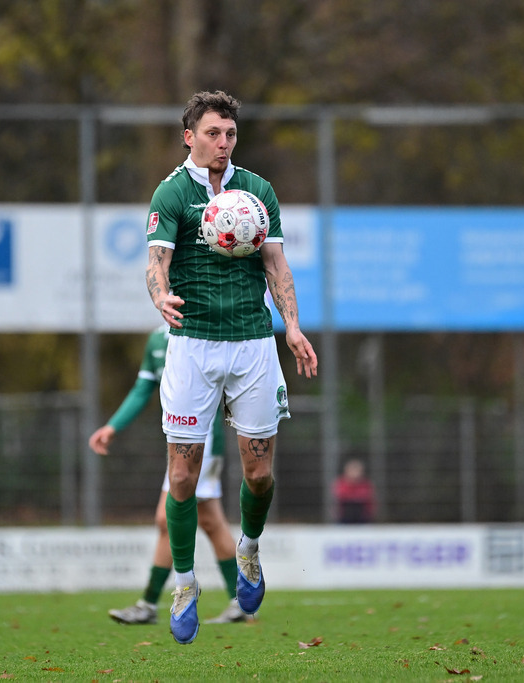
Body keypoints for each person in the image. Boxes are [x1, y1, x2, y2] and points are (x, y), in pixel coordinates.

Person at [144, 90, 318, 644]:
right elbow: (156, 262)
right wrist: (161, 297)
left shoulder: (257, 191)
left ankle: (248, 548)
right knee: (182, 477)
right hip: (192, 346)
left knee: (259, 474)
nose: (223, 144)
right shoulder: (171, 193)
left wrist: (290, 325)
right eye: (213, 134)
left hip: (251, 345)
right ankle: (187, 582)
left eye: (231, 135)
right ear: (189, 136)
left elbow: (276, 263)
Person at [88, 325, 252, 626]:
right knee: (208, 522)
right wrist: (113, 426)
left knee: (172, 519)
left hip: (202, 445)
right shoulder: (156, 339)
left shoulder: (207, 330)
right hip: (180, 447)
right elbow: (142, 389)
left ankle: (151, 603)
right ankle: (238, 601)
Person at [334, 458, 376, 524]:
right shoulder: (341, 483)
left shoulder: (366, 484)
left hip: (363, 518)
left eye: (357, 471)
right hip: (344, 518)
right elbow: (341, 495)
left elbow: (367, 497)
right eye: (352, 470)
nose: (354, 473)